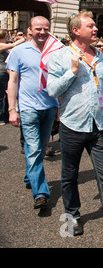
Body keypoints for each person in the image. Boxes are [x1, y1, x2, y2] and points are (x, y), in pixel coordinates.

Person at [47, 11, 103, 241]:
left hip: (98, 126)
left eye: (95, 25)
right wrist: (72, 72)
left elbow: (98, 89)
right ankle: (72, 216)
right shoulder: (60, 56)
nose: (96, 29)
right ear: (76, 31)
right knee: (69, 176)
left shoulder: (101, 57)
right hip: (72, 125)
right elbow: (52, 90)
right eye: (90, 26)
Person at [6, 16, 59, 209]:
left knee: (40, 146)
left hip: (50, 106)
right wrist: (13, 109)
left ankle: (30, 176)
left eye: (46, 28)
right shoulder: (19, 51)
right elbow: (13, 82)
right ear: (30, 29)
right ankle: (41, 193)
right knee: (35, 148)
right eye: (38, 29)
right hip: (28, 108)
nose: (42, 32)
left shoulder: (55, 51)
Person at [1, 29, 26, 125]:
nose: (8, 37)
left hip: (5, 72)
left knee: (6, 94)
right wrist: (22, 39)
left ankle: (6, 115)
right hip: (1, 72)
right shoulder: (1, 45)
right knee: (2, 96)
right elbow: (13, 45)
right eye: (6, 36)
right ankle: (2, 117)